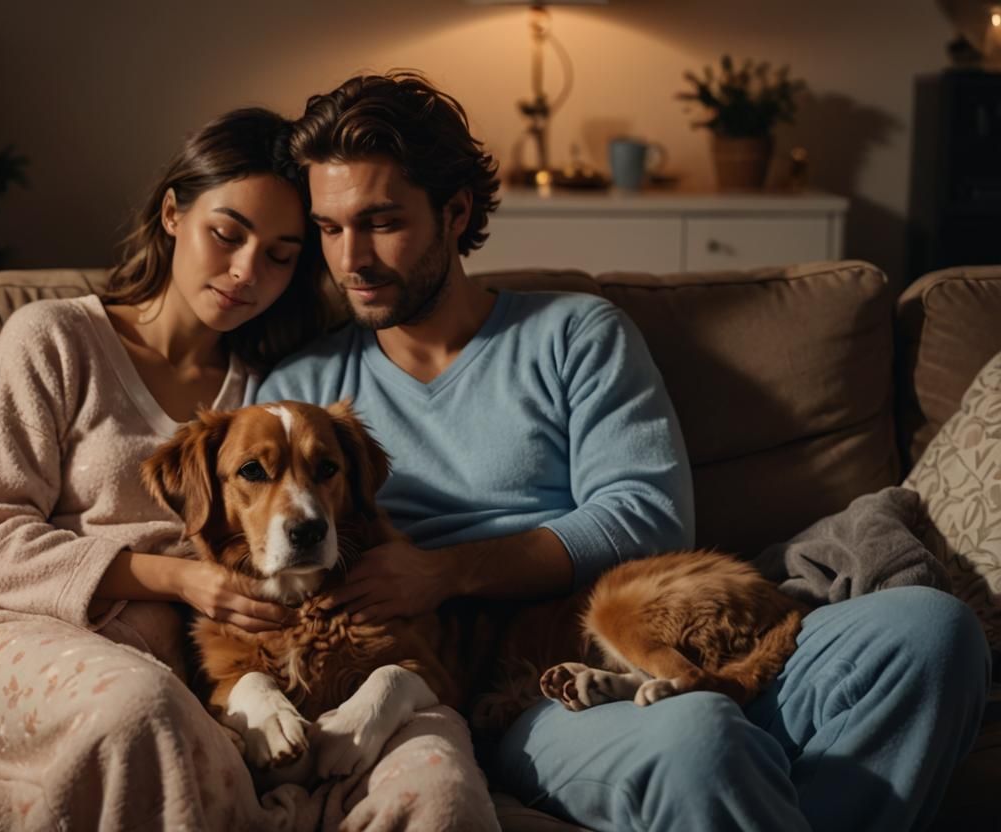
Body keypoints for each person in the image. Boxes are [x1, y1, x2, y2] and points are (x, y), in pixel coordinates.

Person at [255, 71, 992, 832]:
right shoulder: (302, 390)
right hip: (527, 688)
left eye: (380, 222)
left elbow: (648, 518)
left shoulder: (575, 334)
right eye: (330, 228)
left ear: (456, 212)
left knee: (931, 631)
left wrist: (445, 570)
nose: (352, 258)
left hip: (651, 624)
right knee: (699, 743)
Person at [0, 107, 494, 832]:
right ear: (173, 213)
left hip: (196, 669)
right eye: (226, 234)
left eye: (280, 254)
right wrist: (176, 576)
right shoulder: (54, 338)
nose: (246, 272)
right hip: (22, 630)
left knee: (434, 784)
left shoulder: (270, 387)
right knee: (140, 711)